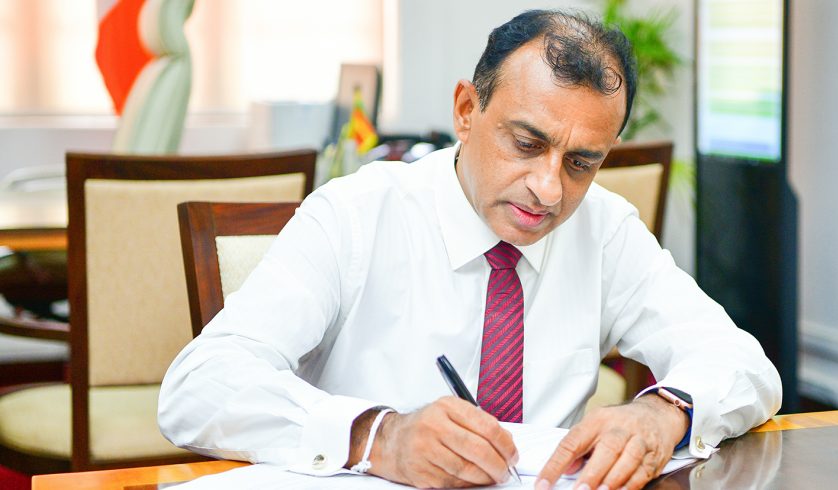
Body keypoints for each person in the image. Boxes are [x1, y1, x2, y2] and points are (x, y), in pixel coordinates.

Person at [159, 9, 781, 490]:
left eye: (580, 163)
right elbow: (199, 386)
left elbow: (742, 363)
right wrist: (380, 437)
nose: (548, 189)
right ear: (466, 109)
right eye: (527, 144)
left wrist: (665, 412)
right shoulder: (355, 215)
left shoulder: (604, 229)